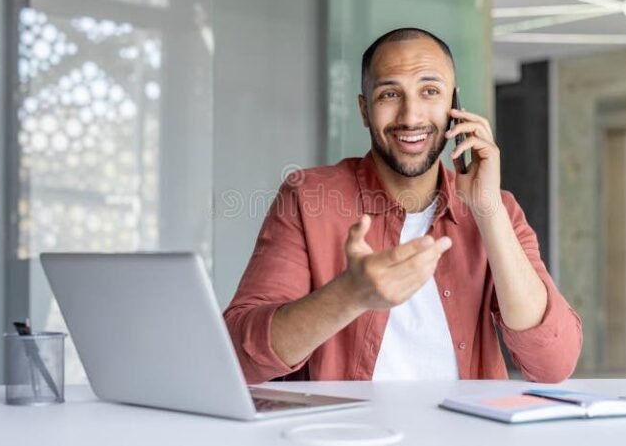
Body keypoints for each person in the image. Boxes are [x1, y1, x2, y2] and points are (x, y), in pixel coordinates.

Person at [224, 27, 582, 384]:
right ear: (364, 110)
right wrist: (350, 294)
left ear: (455, 106)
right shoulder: (307, 197)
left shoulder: (498, 210)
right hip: (350, 422)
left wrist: (488, 210)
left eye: (430, 91)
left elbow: (553, 364)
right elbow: (239, 359)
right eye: (390, 94)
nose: (411, 116)